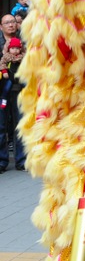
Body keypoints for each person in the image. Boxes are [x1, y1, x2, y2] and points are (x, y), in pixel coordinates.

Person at [0, 37, 26, 172]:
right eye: (7, 24)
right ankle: (2, 161)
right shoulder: (4, 54)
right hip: (3, 92)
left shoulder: (23, 53)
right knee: (1, 127)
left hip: (19, 92)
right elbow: (2, 64)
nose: (11, 26)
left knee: (20, 126)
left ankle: (21, 160)